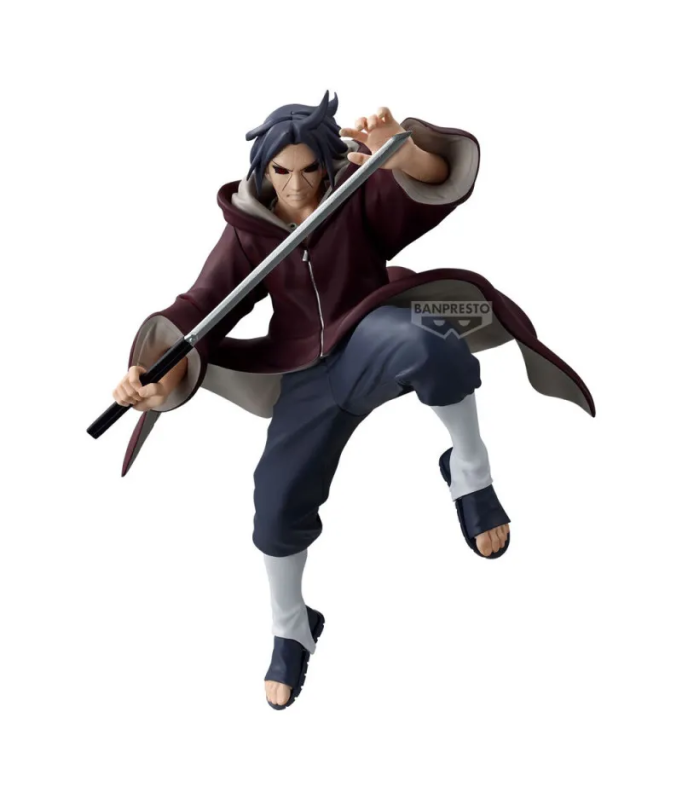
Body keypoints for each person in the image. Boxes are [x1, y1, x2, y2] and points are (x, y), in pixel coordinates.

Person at [112, 91, 595, 709]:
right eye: (281, 171)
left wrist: (403, 152)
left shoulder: (355, 192)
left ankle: (470, 471)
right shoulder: (248, 230)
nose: (296, 186)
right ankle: (292, 626)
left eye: (309, 169)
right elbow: (199, 305)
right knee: (275, 502)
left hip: (370, 332)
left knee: (434, 342)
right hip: (304, 374)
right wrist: (152, 369)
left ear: (327, 162)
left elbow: (434, 184)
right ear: (262, 169)